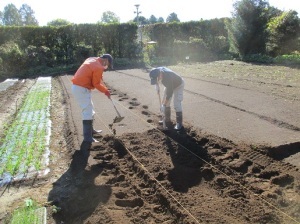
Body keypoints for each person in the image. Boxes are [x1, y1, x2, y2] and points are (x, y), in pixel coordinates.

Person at [71, 54, 113, 144]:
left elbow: (95, 76)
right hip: (81, 88)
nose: (107, 66)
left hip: (80, 87)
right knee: (87, 111)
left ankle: (91, 130)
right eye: (108, 64)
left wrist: (101, 77)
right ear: (105, 60)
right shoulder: (98, 67)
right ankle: (87, 137)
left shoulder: (92, 59)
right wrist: (106, 91)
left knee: (90, 108)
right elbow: (96, 84)